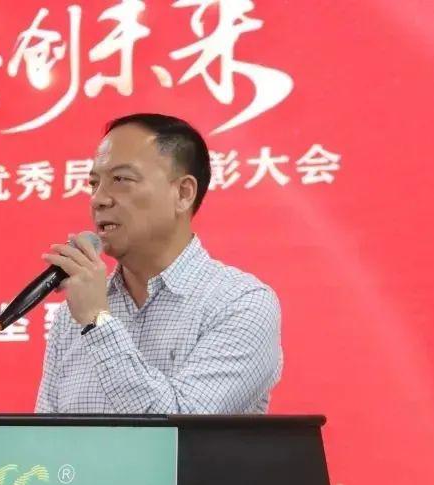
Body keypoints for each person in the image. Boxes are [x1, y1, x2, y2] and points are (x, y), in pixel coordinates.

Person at [35, 113, 282, 414]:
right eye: (94, 183)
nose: (99, 199)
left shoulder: (240, 303)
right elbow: (44, 435)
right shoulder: (72, 315)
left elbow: (177, 426)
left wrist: (98, 322)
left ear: (183, 193)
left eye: (121, 180)